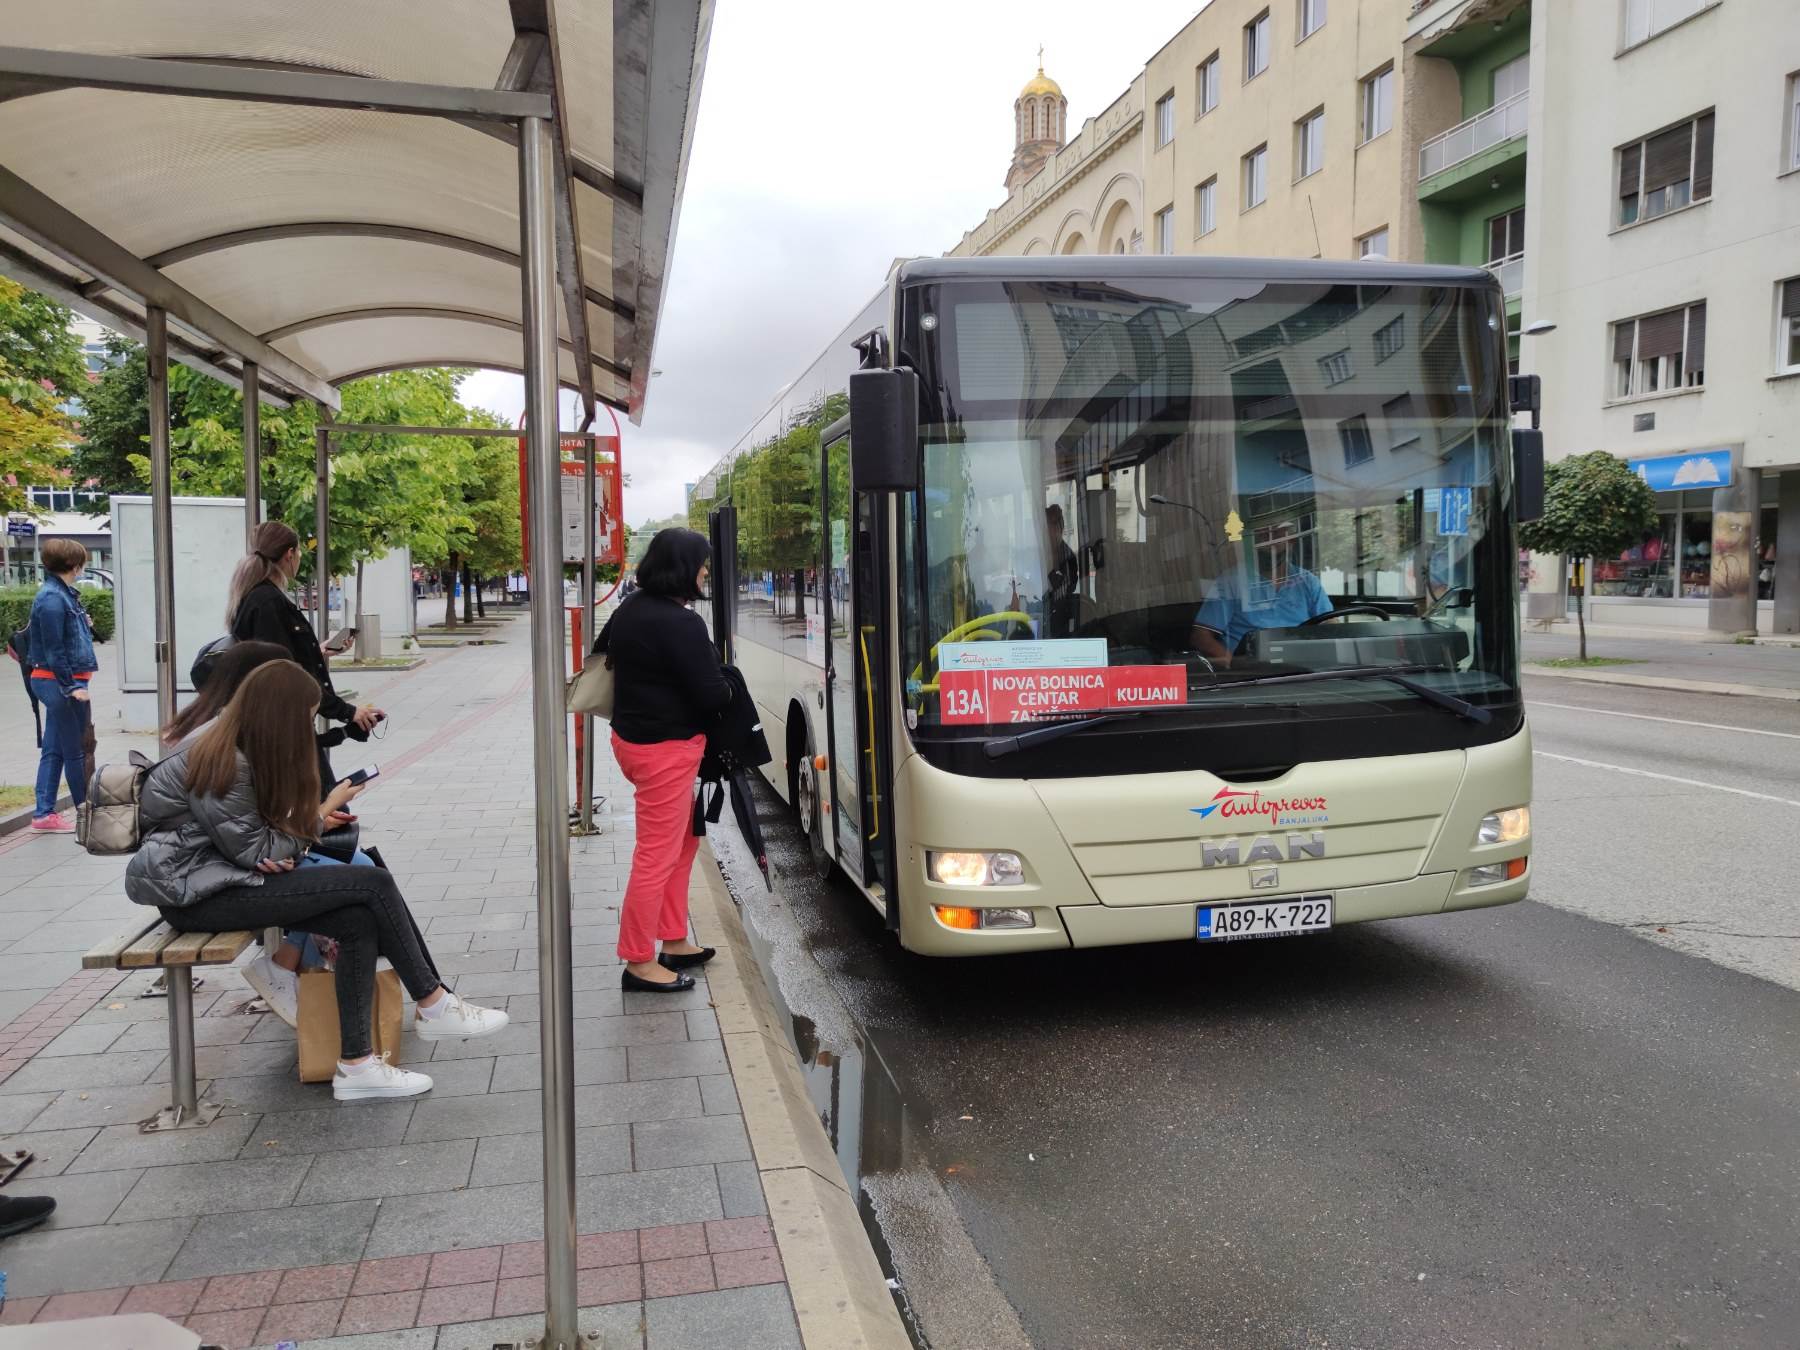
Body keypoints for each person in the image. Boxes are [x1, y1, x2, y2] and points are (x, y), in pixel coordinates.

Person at [125, 660, 507, 1100]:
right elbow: (257, 850)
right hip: (197, 895)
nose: (308, 725)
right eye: (306, 715)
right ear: (280, 714)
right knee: (372, 883)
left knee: (356, 920)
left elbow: (253, 839)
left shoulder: (232, 744)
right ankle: (433, 1002)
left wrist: (297, 834)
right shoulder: (224, 758)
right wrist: (322, 812)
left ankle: (358, 1066)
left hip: (219, 878)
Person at [596, 528, 731, 992]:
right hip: (665, 752)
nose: (705, 570)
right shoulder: (683, 623)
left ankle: (673, 939)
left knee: (683, 843)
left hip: (633, 741)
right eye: (701, 561)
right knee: (655, 855)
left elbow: (602, 653)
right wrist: (727, 684)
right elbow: (712, 692)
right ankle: (638, 960)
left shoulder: (630, 606)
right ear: (682, 566)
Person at [227, 521, 384, 786]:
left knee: (323, 812)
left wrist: (318, 652)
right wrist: (347, 712)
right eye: (299, 553)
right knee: (326, 814)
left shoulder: (255, 597)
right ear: (290, 553)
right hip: (282, 730)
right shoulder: (268, 602)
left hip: (278, 728)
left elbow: (279, 657)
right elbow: (284, 675)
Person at [25, 538, 98, 833]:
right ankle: (87, 814)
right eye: (82, 561)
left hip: (57, 681)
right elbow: (54, 649)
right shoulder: (54, 599)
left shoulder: (62, 595)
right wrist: (71, 687)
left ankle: (44, 814)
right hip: (58, 683)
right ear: (74, 564)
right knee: (74, 751)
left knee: (54, 750)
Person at [1188, 544, 1334, 668]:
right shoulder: (1229, 581)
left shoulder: (1308, 581)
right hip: (1253, 675)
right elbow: (1201, 636)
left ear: (1291, 540)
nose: (1271, 541)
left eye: (1277, 532)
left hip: (1304, 671)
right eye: (1264, 533)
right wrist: (1233, 665)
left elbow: (1331, 626)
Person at [1043, 504, 1082, 637]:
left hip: (1061, 624)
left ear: (1061, 527)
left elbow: (1067, 589)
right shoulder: (1040, 555)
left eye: (1055, 525)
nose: (1052, 530)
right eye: (1049, 525)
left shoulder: (1069, 557)